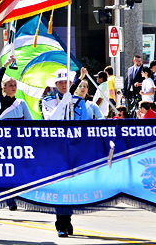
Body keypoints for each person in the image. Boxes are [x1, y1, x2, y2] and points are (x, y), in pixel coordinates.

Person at [43, 67, 103, 237]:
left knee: (71, 186)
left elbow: (83, 125)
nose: (63, 85)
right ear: (55, 85)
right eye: (60, 82)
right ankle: (61, 223)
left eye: (66, 82)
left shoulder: (79, 102)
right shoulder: (47, 101)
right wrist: (63, 102)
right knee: (60, 184)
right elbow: (51, 120)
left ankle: (66, 219)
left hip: (75, 147)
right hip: (56, 148)